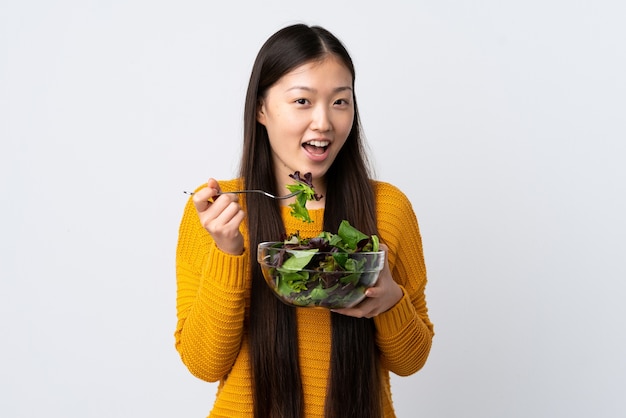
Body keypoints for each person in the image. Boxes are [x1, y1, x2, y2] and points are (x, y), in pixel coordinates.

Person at [175, 23, 434, 418]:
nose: (324, 122)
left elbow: (411, 361)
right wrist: (229, 252)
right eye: (302, 101)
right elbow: (203, 364)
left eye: (340, 102)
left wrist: (390, 299)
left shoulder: (388, 208)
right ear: (261, 108)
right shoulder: (219, 214)